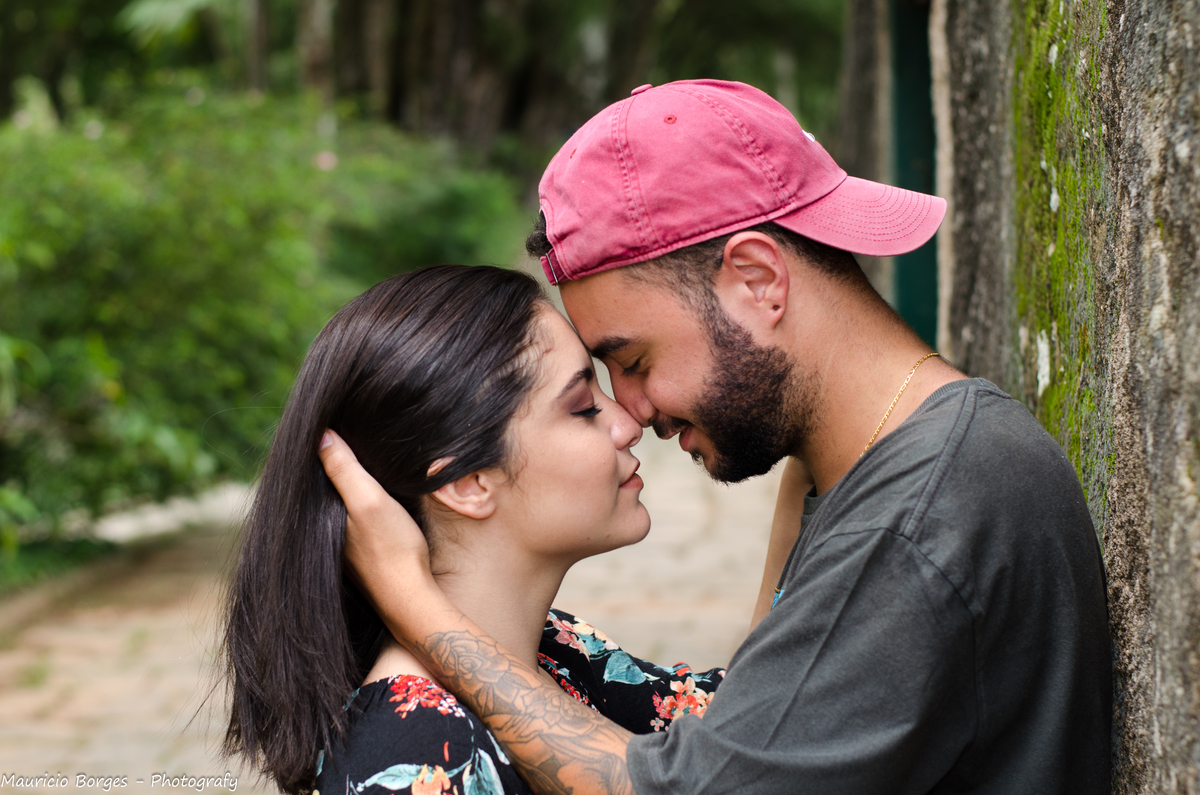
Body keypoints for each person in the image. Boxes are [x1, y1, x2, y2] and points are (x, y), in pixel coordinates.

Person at [317, 79, 1112, 794]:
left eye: (634, 361)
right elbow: (757, 724)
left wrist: (417, 604)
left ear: (758, 279)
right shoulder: (901, 469)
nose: (632, 411)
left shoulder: (918, 518)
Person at [220, 265, 727, 795]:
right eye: (582, 408)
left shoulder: (556, 648)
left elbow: (753, 744)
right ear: (467, 483)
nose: (627, 424)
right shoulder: (415, 760)